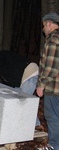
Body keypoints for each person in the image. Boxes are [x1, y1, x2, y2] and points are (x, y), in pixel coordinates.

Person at [0, 50, 42, 129]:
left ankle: (36, 125)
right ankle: (30, 124)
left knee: (23, 102)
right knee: (16, 101)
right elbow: (9, 84)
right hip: (22, 78)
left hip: (30, 72)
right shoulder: (3, 67)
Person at [36, 12, 59, 150]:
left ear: (49, 23)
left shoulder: (53, 40)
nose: (44, 28)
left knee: (52, 117)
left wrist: (41, 85)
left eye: (44, 25)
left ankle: (54, 146)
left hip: (54, 87)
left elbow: (50, 67)